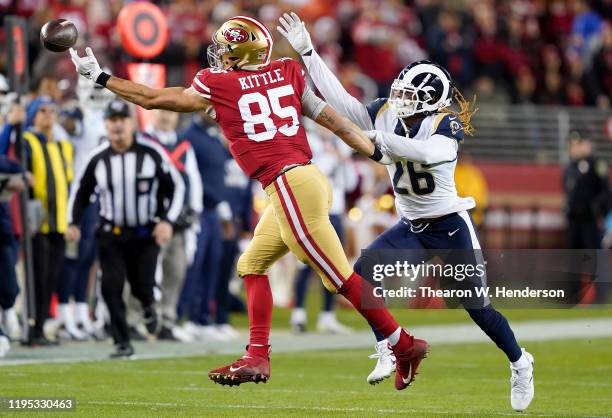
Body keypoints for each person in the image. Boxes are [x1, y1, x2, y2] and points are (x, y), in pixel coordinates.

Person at [70, 15, 427, 390]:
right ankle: (257, 354)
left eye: (226, 48)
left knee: (340, 277)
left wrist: (100, 77)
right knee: (251, 264)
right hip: (303, 180)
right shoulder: (287, 71)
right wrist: (373, 152)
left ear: (240, 53)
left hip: (288, 184)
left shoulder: (219, 84)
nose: (220, 55)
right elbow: (335, 122)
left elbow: (153, 98)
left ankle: (404, 344)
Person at [279, 12, 534, 410]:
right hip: (412, 225)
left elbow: (428, 153)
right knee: (359, 276)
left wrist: (381, 142)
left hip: (450, 227)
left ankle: (520, 363)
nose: (400, 101)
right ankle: (390, 346)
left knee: (477, 308)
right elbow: (343, 103)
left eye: (411, 98)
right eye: (400, 93)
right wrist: (310, 54)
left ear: (431, 103)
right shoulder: (387, 112)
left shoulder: (444, 126)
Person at [66, 99, 184, 358]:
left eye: (121, 119)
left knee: (142, 286)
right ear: (106, 124)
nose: (117, 125)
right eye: (112, 120)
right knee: (110, 286)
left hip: (144, 233)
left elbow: (175, 187)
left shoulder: (151, 153)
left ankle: (148, 307)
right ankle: (121, 341)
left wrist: (166, 221)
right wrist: (72, 222)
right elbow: (80, 192)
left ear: (132, 122)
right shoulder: (97, 158)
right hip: (111, 234)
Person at [57, 75, 115, 340]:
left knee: (88, 258)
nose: (99, 93)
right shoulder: (79, 116)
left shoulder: (105, 117)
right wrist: (75, 109)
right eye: (95, 87)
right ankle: (62, 315)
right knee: (73, 257)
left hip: (100, 198)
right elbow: (66, 126)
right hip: (79, 196)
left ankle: (81, 313)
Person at [290, 121, 355, 334]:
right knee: (305, 263)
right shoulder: (309, 144)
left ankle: (327, 316)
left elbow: (351, 183)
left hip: (335, 211)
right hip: (313, 210)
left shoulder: (340, 145)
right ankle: (298, 313)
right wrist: (331, 156)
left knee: (335, 264)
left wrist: (342, 160)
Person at [147, 109, 203, 341]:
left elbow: (194, 180)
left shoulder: (184, 146)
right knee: (145, 273)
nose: (166, 117)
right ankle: (139, 320)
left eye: (171, 112)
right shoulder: (145, 141)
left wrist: (195, 212)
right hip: (151, 219)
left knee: (175, 271)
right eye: (162, 112)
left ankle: (167, 320)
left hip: (178, 222)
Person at [23, 96, 74, 346]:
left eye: (51, 110)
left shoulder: (63, 146)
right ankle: (31, 328)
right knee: (38, 279)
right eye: (42, 110)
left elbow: (69, 183)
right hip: (36, 224)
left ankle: (40, 328)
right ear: (33, 115)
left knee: (52, 278)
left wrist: (72, 220)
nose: (48, 115)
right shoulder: (27, 142)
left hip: (59, 223)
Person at [178, 111, 228, 342]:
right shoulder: (189, 135)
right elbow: (187, 175)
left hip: (213, 210)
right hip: (197, 209)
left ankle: (203, 318)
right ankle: (185, 317)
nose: (213, 111)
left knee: (212, 261)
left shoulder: (215, 134)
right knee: (194, 264)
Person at [563, 131, 610, 303]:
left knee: (596, 259)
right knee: (575, 260)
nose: (573, 148)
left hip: (591, 221)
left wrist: (599, 213)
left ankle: (601, 297)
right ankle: (574, 296)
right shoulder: (571, 167)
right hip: (575, 221)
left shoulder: (597, 164)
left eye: (576, 144)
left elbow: (606, 192)